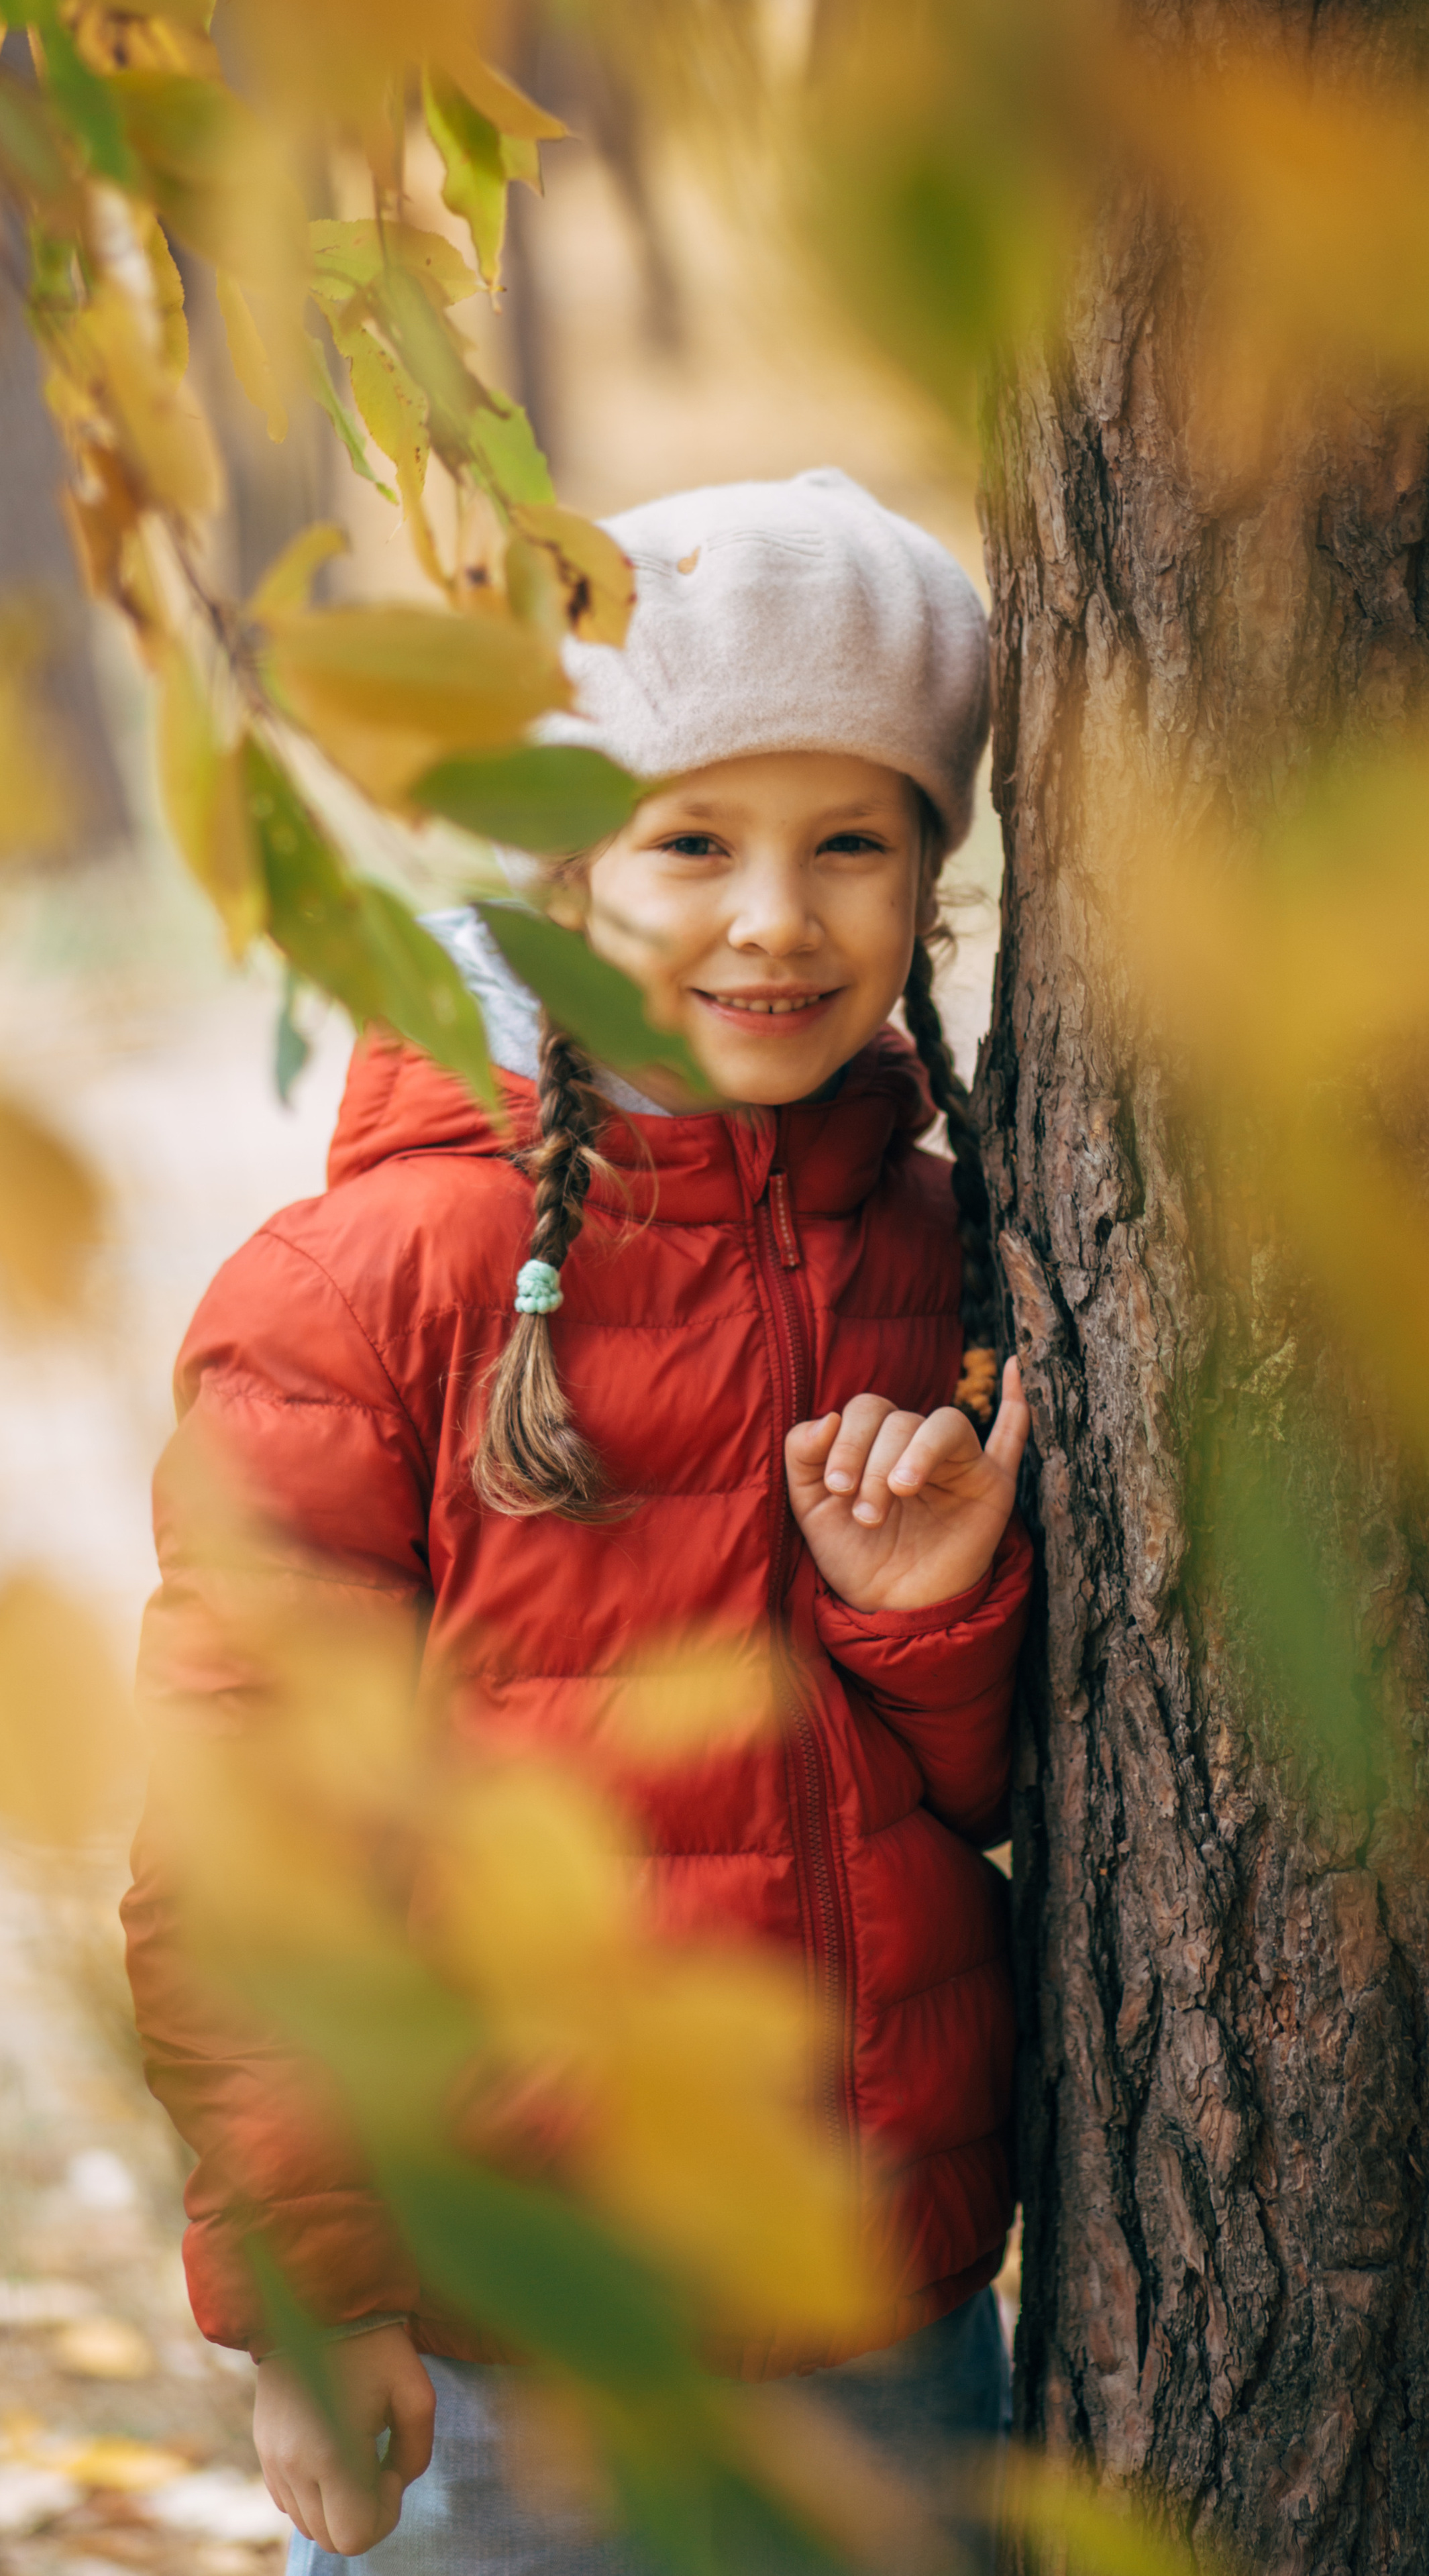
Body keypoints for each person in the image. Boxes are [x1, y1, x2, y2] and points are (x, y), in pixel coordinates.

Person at [123, 468, 1033, 2569]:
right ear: (567, 866)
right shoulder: (376, 1286)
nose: (777, 919)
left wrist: (924, 1620)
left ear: (932, 885)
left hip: (878, 2302)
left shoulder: (945, 1248)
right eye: (693, 841)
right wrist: (306, 2295)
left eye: (853, 846)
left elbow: (977, 1803)